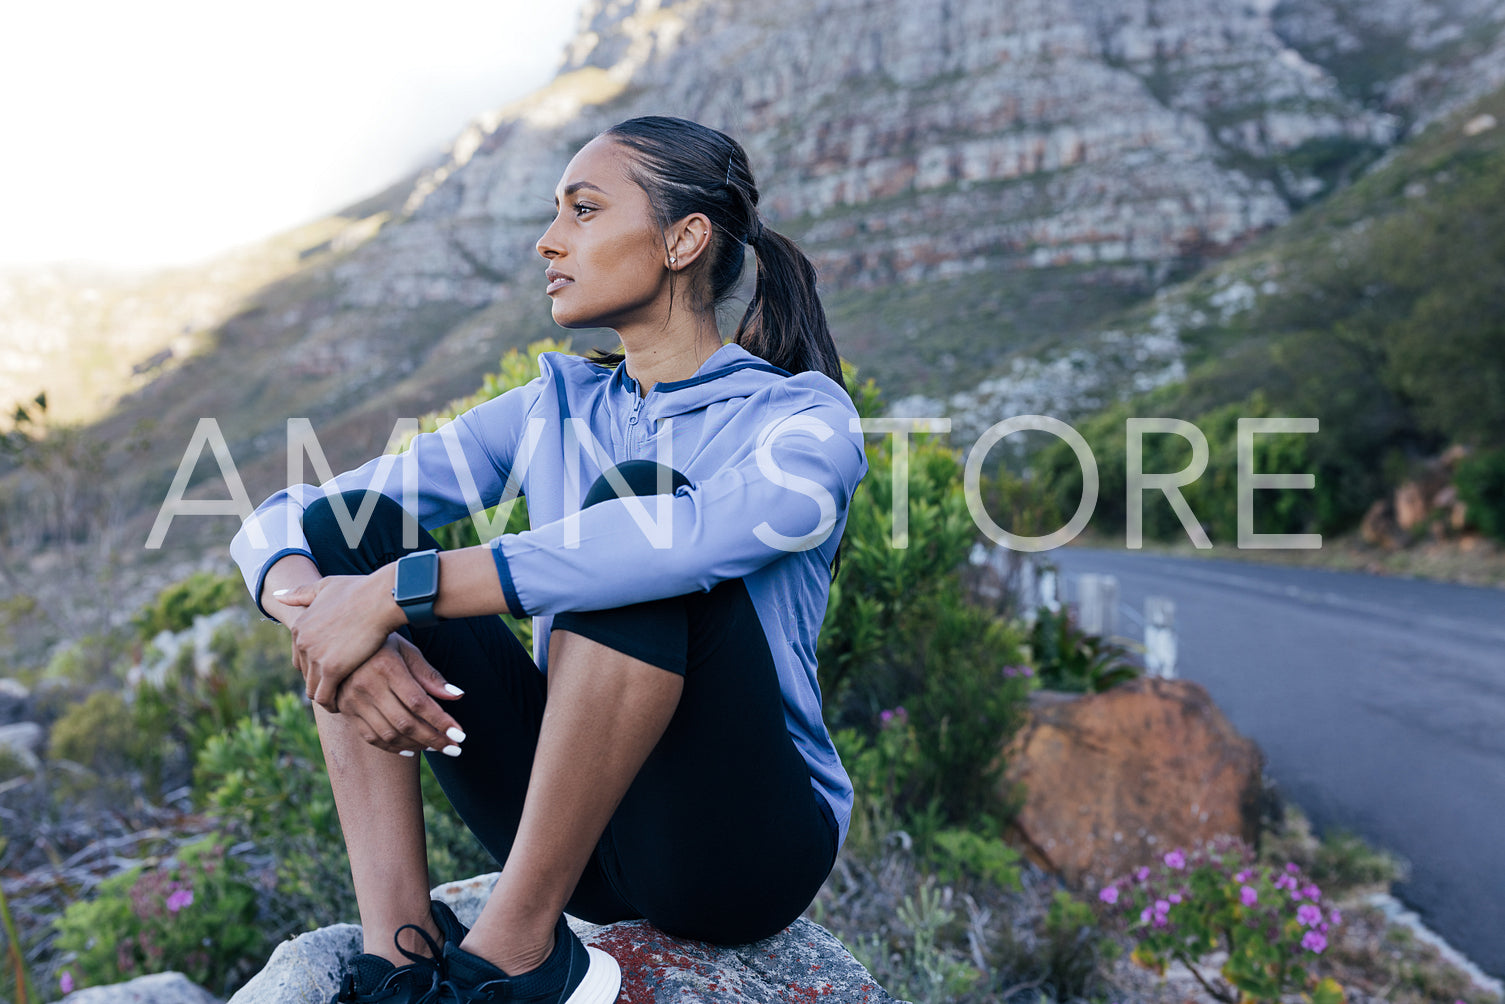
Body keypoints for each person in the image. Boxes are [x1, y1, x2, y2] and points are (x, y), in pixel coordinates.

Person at [230, 115, 868, 1004]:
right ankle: (400, 961)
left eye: (584, 210)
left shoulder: (802, 422)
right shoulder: (549, 407)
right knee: (352, 524)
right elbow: (294, 517)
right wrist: (323, 609)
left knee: (634, 521)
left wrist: (399, 592)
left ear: (683, 240)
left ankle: (514, 959)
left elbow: (688, 539)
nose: (547, 240)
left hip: (734, 852)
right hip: (574, 836)